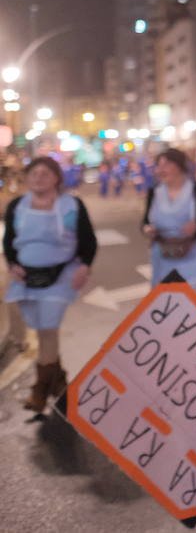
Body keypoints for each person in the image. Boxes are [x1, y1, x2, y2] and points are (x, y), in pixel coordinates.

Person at [3, 157, 97, 413]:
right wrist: (12, 264)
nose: (38, 178)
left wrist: (84, 266)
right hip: (27, 279)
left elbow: (88, 240)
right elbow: (9, 240)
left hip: (61, 276)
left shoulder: (72, 205)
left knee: (47, 329)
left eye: (44, 173)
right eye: (33, 173)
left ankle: (39, 390)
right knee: (42, 329)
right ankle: (59, 382)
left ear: (56, 177)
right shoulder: (16, 206)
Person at [141, 149, 196, 294]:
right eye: (158, 166)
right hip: (162, 256)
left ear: (179, 165)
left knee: (191, 302)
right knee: (163, 301)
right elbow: (145, 222)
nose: (160, 170)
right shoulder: (154, 192)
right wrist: (147, 229)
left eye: (166, 165)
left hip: (192, 255)